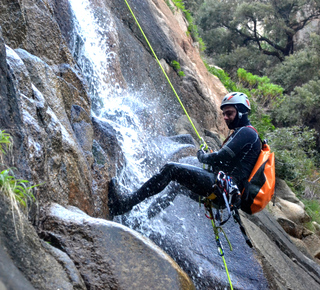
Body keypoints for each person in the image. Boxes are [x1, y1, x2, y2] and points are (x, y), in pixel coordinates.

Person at [108, 92, 261, 216]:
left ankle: (125, 205)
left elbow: (220, 158)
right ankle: (143, 217)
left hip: (223, 189)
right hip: (225, 193)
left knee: (171, 169)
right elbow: (225, 161)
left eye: (229, 113)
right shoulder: (242, 134)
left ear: (241, 112)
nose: (225, 117)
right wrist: (211, 157)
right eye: (224, 114)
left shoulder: (247, 132)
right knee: (177, 186)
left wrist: (203, 156)